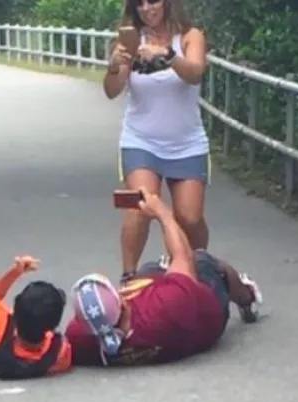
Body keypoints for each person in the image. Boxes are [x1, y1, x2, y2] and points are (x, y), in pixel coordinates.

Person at [64, 189, 263, 367]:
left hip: (168, 319)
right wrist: (162, 214)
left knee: (149, 270)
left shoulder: (81, 340)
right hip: (206, 313)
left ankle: (165, 270)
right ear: (122, 304)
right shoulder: (167, 306)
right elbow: (184, 256)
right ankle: (247, 297)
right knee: (204, 260)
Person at [103, 0, 211, 283]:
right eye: (140, 4)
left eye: (154, 1)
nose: (147, 9)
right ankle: (129, 278)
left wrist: (166, 55)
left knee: (189, 218)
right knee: (139, 207)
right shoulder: (128, 40)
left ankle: (197, 268)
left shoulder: (190, 37)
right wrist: (115, 67)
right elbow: (111, 91)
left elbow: (195, 73)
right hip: (141, 140)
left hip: (186, 142)